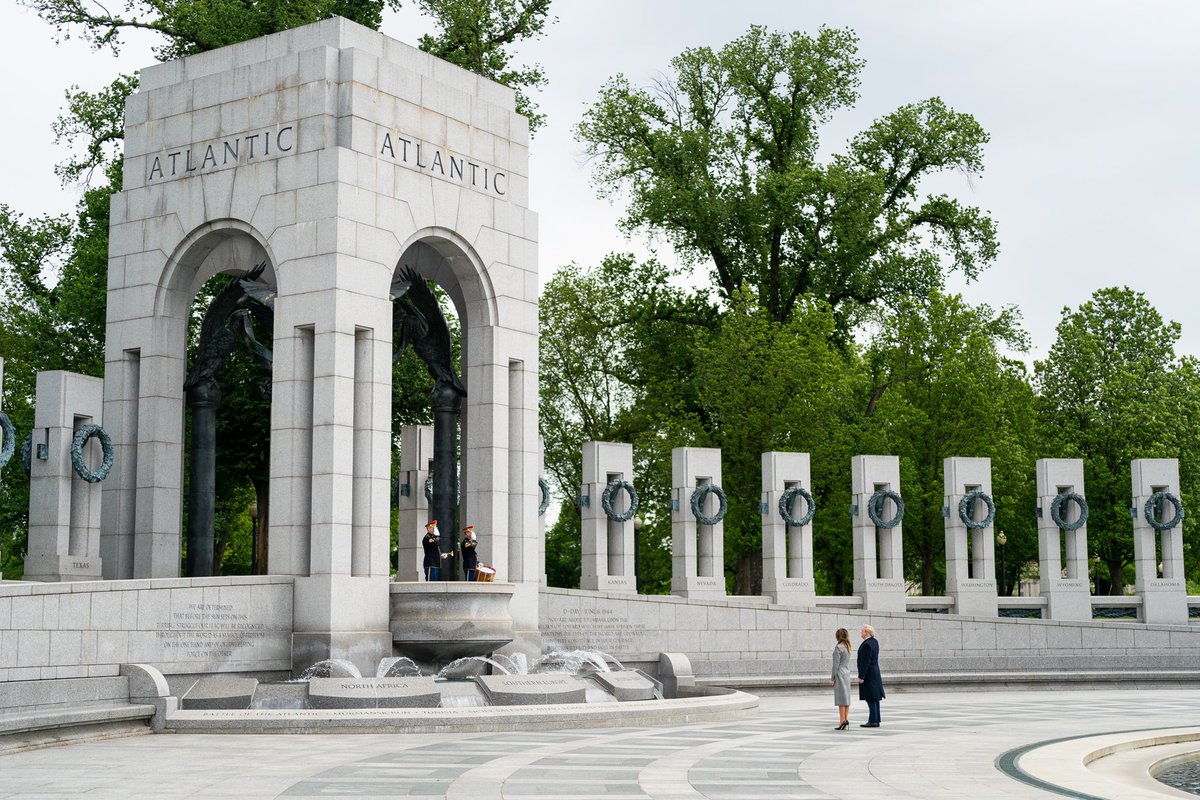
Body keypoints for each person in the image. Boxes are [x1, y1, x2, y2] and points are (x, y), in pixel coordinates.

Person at [857, 623, 885, 728]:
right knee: (875, 697)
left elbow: (865, 662)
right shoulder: (874, 642)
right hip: (874, 672)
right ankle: (876, 720)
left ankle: (873, 721)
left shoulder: (867, 644)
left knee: (871, 697)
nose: (861, 633)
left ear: (866, 632)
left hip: (869, 674)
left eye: (862, 631)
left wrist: (861, 676)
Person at [830, 628, 853, 730]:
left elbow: (836, 665)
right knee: (846, 698)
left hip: (840, 674)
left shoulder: (838, 647)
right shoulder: (848, 647)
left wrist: (832, 677)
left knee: (841, 700)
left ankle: (842, 721)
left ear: (837, 636)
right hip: (847, 673)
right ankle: (846, 719)